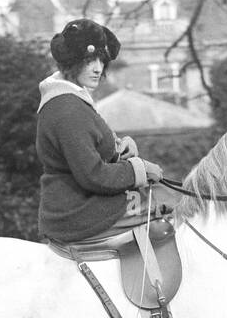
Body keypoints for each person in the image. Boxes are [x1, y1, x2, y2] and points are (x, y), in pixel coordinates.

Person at [36, 18, 172, 245]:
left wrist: (118, 149)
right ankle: (153, 282)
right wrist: (139, 169)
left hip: (80, 206)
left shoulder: (72, 100)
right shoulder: (67, 109)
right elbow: (93, 176)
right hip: (77, 213)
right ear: (72, 62)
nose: (98, 68)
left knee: (166, 203)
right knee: (169, 210)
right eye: (89, 60)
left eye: (101, 59)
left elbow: (87, 147)